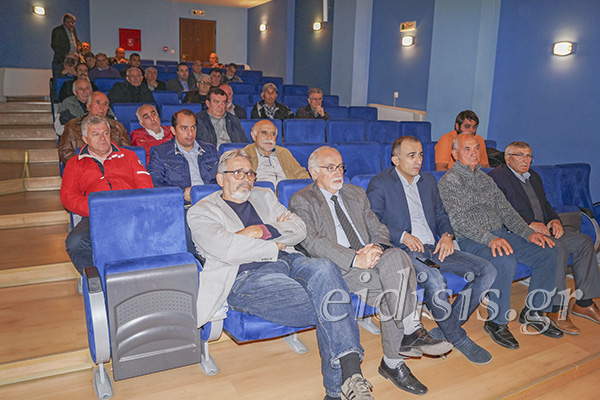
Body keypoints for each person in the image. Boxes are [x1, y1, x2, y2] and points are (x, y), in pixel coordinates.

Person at [187, 149, 376, 400]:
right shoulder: (201, 211)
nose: (246, 179)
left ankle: (347, 380)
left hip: (290, 259)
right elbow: (227, 249)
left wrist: (258, 231)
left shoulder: (264, 196)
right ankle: (345, 380)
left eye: (250, 173)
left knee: (325, 268)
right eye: (238, 173)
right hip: (247, 277)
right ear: (221, 178)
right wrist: (273, 243)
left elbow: (299, 229)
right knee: (332, 301)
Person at [289, 146, 452, 396]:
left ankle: (406, 337)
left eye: (340, 167)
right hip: (340, 267)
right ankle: (396, 357)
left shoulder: (355, 193)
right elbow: (312, 241)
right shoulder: (302, 200)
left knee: (397, 255)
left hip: (371, 257)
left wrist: (375, 248)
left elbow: (378, 227)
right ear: (313, 172)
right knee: (393, 292)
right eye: (330, 168)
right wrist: (355, 258)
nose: (338, 172)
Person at [367, 136, 497, 364]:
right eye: (411, 156)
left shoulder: (427, 181)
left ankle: (448, 327)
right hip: (405, 251)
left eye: (420, 155)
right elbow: (372, 222)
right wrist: (402, 235)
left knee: (487, 270)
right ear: (396, 160)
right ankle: (459, 338)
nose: (418, 160)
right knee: (435, 279)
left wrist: (446, 236)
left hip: (435, 248)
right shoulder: (381, 183)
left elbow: (440, 214)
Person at [437, 134, 565, 350]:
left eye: (476, 148)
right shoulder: (449, 182)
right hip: (472, 239)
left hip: (500, 234)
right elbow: (458, 221)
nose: (474, 153)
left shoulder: (486, 179)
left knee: (549, 250)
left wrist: (528, 233)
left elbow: (507, 211)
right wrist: (490, 239)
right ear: (455, 154)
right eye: (467, 149)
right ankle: (497, 321)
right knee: (504, 258)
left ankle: (534, 311)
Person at [489, 141, 600, 331]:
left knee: (583, 241)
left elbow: (545, 205)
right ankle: (555, 308)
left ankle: (584, 302)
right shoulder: (496, 177)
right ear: (507, 158)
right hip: (519, 232)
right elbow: (499, 211)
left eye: (529, 156)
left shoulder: (533, 177)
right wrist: (528, 224)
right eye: (520, 155)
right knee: (557, 248)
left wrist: (554, 220)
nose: (526, 160)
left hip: (545, 230)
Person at [60, 115, 153, 275]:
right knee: (75, 242)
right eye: (95, 134)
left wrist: (132, 205)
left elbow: (145, 185)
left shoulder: (129, 156)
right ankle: (96, 278)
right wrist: (94, 208)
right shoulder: (75, 163)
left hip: (131, 211)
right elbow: (68, 196)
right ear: (85, 139)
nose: (102, 138)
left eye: (105, 133)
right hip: (96, 214)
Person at [59, 92, 130, 164]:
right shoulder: (72, 126)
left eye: (105, 104)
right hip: (83, 166)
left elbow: (127, 152)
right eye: (98, 103)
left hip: (113, 166)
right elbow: (65, 153)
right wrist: (86, 163)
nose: (102, 107)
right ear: (88, 106)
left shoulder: (118, 127)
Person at [242, 120, 310, 187]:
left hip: (288, 191)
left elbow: (301, 173)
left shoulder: (283, 152)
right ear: (254, 136)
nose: (269, 137)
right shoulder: (245, 154)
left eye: (273, 134)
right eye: (264, 133)